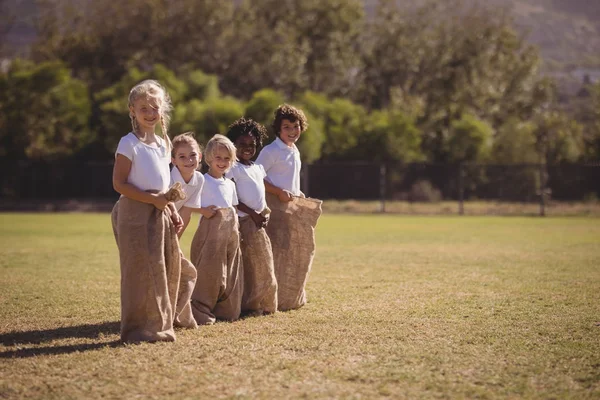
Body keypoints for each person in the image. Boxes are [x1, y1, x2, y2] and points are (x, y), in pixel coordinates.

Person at [111, 79, 197, 342]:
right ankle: (136, 330)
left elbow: (162, 185)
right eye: (143, 108)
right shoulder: (129, 143)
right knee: (138, 272)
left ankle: (157, 325)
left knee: (160, 270)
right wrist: (153, 200)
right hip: (134, 214)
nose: (150, 113)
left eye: (155, 108)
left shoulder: (163, 144)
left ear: (163, 110)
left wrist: (170, 209)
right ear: (132, 111)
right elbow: (119, 184)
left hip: (159, 214)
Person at [256, 104, 322, 311]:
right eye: (287, 127)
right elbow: (256, 177)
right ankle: (266, 298)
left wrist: (297, 192)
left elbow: (290, 179)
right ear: (278, 129)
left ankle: (287, 297)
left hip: (290, 207)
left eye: (296, 126)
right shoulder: (271, 151)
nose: (292, 131)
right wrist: (277, 192)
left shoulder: (294, 150)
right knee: (274, 250)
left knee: (290, 251)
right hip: (274, 207)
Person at [190, 134, 243, 325]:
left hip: (230, 232)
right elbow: (189, 204)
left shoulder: (230, 184)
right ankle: (201, 308)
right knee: (209, 271)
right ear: (209, 158)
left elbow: (233, 208)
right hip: (210, 231)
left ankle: (226, 310)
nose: (222, 162)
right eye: (218, 158)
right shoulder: (202, 181)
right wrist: (203, 210)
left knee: (229, 271)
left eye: (227, 158)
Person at [226, 118, 277, 316]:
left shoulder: (257, 167)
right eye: (242, 144)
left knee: (260, 263)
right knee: (251, 265)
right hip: (243, 221)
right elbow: (233, 199)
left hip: (258, 221)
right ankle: (251, 305)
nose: (247, 148)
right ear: (233, 145)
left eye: (252, 145)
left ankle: (260, 303)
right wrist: (253, 214)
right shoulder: (232, 167)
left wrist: (262, 213)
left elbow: (259, 193)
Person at [170, 132, 217, 237]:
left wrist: (175, 243)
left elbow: (187, 212)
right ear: (173, 160)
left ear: (200, 156)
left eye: (193, 155)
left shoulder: (199, 179)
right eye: (182, 157)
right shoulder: (167, 178)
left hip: (173, 221)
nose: (189, 160)